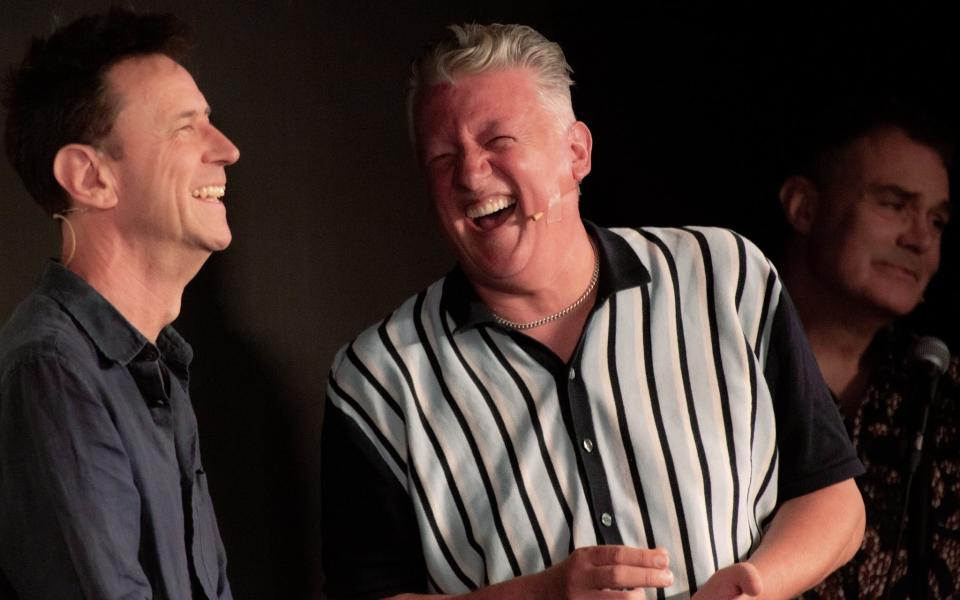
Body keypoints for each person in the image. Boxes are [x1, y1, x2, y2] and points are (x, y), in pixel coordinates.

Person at [322, 23, 865, 599]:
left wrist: (754, 586)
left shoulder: (723, 275)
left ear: (575, 152)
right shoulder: (378, 381)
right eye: (442, 156)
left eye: (498, 141)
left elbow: (836, 501)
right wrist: (540, 596)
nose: (471, 174)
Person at [0, 8, 239, 599]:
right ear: (89, 176)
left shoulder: (154, 366)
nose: (228, 149)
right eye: (186, 127)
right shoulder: (52, 370)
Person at [777, 107, 958, 598]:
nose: (919, 239)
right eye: (895, 205)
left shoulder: (945, 389)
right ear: (804, 208)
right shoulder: (714, 365)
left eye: (937, 220)